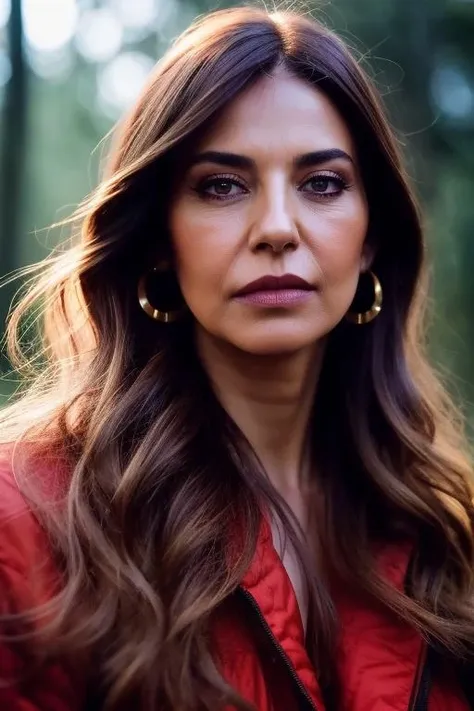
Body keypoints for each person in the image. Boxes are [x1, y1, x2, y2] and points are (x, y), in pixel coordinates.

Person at [0, 5, 474, 711]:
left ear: (372, 235)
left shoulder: (444, 530)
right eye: (222, 185)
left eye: (322, 184)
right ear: (159, 236)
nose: (278, 229)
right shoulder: (29, 526)